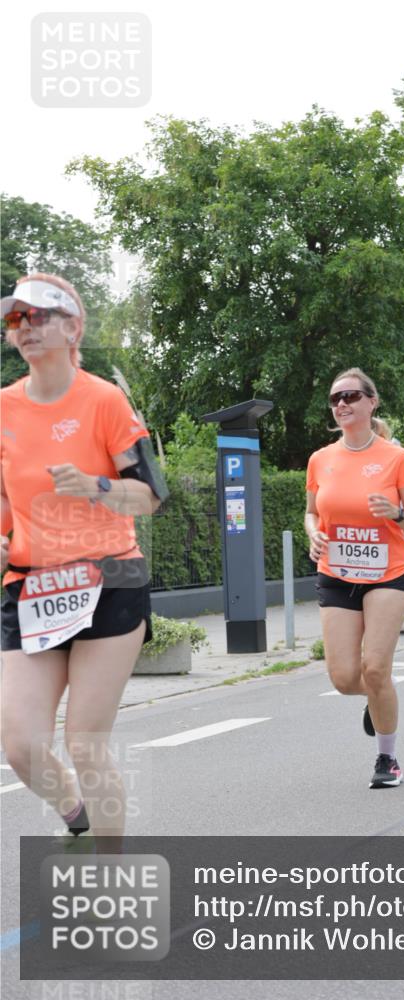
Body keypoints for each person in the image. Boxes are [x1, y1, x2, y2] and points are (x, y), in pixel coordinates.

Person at [0, 273, 168, 847]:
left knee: (85, 743)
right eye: (15, 318)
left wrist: (96, 487)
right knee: (20, 745)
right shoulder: (3, 408)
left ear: (72, 327)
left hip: (112, 577)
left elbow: (150, 496)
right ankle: (72, 807)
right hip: (32, 587)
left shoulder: (103, 399)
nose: (25, 327)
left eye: (38, 316)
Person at [305, 367, 404, 788]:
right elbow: (311, 513)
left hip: (388, 573)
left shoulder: (397, 458)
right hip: (336, 573)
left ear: (372, 402)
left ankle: (387, 760)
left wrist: (394, 512)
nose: (342, 404)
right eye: (336, 398)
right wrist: (312, 535)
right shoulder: (320, 459)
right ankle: (378, 698)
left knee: (375, 668)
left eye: (352, 396)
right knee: (343, 680)